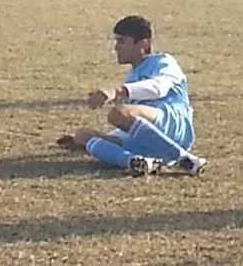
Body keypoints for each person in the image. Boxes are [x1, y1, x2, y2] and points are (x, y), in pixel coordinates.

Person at [57, 16, 207, 177]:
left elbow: (158, 88)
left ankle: (183, 158)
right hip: (149, 138)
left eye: (121, 41)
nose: (116, 47)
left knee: (118, 114)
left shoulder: (163, 62)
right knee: (83, 135)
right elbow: (136, 123)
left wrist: (117, 91)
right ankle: (139, 162)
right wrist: (86, 143)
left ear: (143, 44)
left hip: (173, 127)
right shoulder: (133, 75)